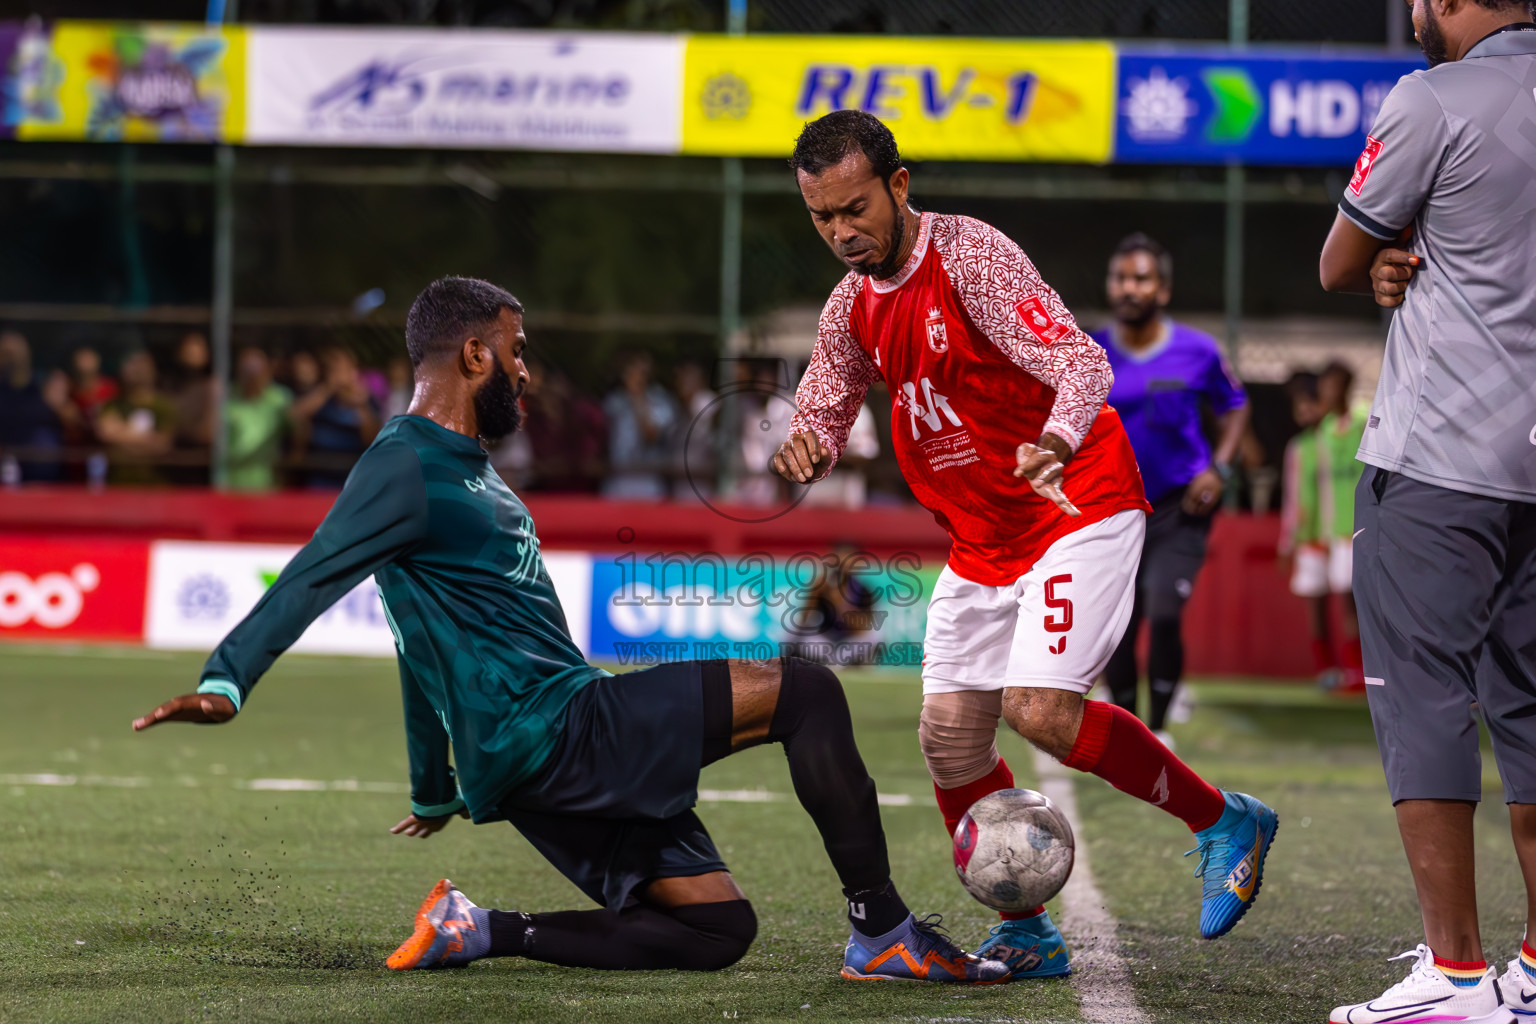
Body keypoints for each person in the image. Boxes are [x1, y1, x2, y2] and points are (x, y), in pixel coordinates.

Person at [130, 276, 1008, 985]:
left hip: (536, 756)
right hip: (558, 731)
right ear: (473, 352)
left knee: (713, 929)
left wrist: (433, 786)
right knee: (807, 691)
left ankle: (480, 930)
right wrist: (225, 678)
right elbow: (316, 570)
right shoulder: (403, 463)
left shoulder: (466, 470)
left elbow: (415, 630)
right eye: (515, 351)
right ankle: (884, 929)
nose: (525, 371)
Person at [775, 110, 1278, 980]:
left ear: (899, 186)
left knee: (1038, 709)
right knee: (949, 742)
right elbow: (824, 406)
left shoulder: (968, 256)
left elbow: (1083, 363)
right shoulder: (849, 308)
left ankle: (1223, 820)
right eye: (823, 218)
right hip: (983, 536)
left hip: (1076, 502)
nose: (842, 233)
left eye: (855, 208)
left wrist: (1056, 437)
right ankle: (1029, 929)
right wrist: (806, 445)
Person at [1319, 1, 1536, 1020]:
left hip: (1445, 457)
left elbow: (1339, 261)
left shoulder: (1430, 97)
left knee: (1426, 698)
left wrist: (1396, 257)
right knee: (1532, 710)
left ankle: (1456, 975)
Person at [1091, 233, 1251, 746]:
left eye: (1140, 278)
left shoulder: (1198, 351)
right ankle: (1127, 727)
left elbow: (1236, 407)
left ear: (1162, 289)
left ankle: (1157, 729)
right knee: (1117, 619)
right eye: (1120, 278)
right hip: (1112, 507)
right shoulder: (1088, 352)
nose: (1128, 288)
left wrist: (1219, 469)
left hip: (1180, 505)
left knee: (1162, 607)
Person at [1289, 361, 1369, 694]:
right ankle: (1352, 670)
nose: (1327, 393)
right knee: (1345, 598)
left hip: (1362, 525)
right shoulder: (1324, 431)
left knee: (1360, 601)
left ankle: (1362, 670)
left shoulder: (1365, 420)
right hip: (1336, 531)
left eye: (1333, 385)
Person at [1277, 371, 1340, 686]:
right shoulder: (1297, 448)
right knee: (1315, 604)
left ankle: (1358, 668)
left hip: (1341, 534)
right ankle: (1326, 669)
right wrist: (1287, 542)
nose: (1304, 411)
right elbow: (1292, 497)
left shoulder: (1338, 439)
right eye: (1298, 405)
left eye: (1310, 403)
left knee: (1350, 603)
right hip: (1309, 537)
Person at [291, 346, 381, 489]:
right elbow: (295, 414)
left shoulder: (365, 400)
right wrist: (329, 387)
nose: (339, 374)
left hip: (353, 478)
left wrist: (360, 405)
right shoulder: (320, 396)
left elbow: (372, 440)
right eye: (333, 369)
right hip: (319, 478)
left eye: (343, 369)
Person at [602, 351, 677, 501]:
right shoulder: (614, 400)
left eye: (640, 372)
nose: (635, 376)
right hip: (618, 480)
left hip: (648, 482)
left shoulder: (660, 401)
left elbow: (651, 434)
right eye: (631, 370)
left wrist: (637, 397)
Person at [96, 350, 176, 486]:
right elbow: (105, 434)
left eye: (142, 364)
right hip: (117, 485)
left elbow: (162, 445)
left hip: (154, 485)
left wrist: (121, 433)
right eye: (131, 363)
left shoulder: (164, 407)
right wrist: (145, 438)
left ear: (153, 370)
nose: (136, 369)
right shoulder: (112, 405)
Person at [0, 330, 67, 482]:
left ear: (26, 353)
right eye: (5, 352)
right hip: (5, 447)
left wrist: (60, 407)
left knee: (44, 440)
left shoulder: (44, 384)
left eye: (14, 352)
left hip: (35, 452)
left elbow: (67, 417)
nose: (11, 358)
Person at [224, 347, 292, 492]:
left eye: (255, 370)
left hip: (267, 483)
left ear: (266, 372)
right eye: (247, 371)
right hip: (230, 484)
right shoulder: (226, 398)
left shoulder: (280, 398)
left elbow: (298, 432)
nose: (251, 376)